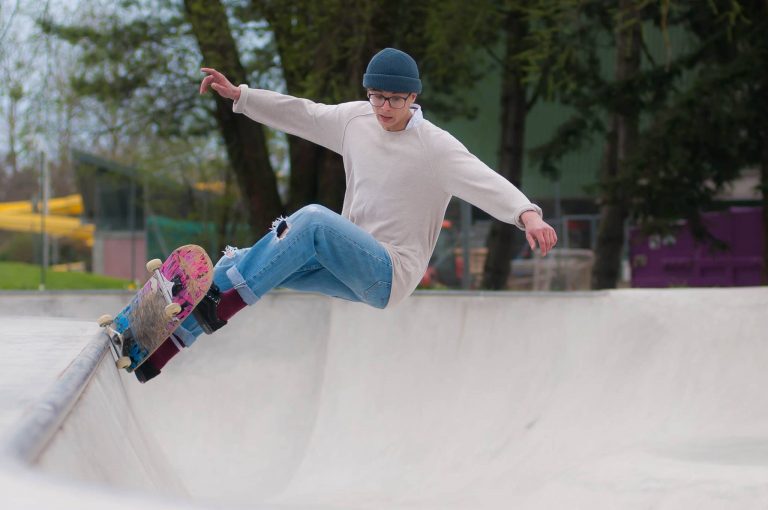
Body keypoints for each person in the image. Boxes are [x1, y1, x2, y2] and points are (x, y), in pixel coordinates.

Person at [134, 48, 557, 383]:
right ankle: (157, 346)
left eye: (393, 100)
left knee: (314, 220)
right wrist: (241, 96)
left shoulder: (436, 147)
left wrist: (527, 214)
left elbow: (482, 179)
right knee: (241, 260)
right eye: (376, 96)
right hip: (342, 260)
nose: (383, 108)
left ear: (413, 98)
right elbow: (303, 113)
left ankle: (219, 305)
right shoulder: (356, 119)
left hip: (388, 272)